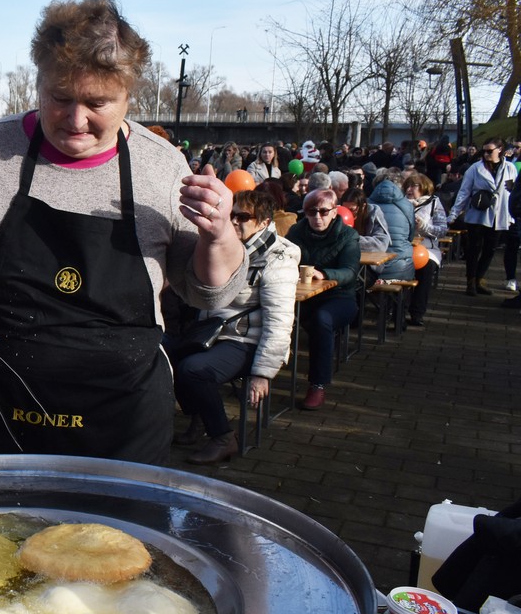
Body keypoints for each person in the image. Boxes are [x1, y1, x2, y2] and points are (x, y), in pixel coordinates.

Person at [0, 0, 246, 463]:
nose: (75, 120)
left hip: (120, 426)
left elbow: (209, 295)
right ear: (38, 84)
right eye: (59, 99)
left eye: (97, 103)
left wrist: (219, 236)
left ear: (127, 96)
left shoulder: (161, 167)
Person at [172, 190, 300, 465]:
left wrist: (263, 372)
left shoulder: (278, 257)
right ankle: (199, 419)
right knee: (166, 355)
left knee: (193, 370)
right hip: (213, 332)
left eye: (243, 217)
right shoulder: (225, 245)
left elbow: (280, 320)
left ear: (264, 222)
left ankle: (223, 437)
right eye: (231, 215)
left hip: (246, 341)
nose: (233, 222)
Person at [286, 189, 360, 411]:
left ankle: (317, 385)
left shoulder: (348, 236)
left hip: (340, 297)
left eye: (323, 211)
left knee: (321, 319)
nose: (317, 217)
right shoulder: (295, 233)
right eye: (311, 212)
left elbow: (350, 272)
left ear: (334, 212)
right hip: (304, 297)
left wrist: (326, 274)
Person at [448, 137, 517, 296]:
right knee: (474, 248)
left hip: (499, 214)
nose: (486, 154)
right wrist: (454, 212)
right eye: (484, 151)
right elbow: (464, 192)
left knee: (490, 249)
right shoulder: (475, 168)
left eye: (489, 151)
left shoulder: (510, 168)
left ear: (500, 150)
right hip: (478, 214)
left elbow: (512, 193)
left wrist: (512, 214)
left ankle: (480, 278)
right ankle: (470, 281)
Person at [404, 173, 448, 326]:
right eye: (407, 186)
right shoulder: (401, 203)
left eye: (413, 186)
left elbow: (442, 230)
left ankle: (417, 313)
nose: (409, 189)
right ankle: (397, 310)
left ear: (424, 188)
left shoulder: (434, 203)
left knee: (425, 269)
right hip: (405, 247)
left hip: (427, 248)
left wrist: (423, 226)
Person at [366, 170, 416, 282]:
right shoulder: (407, 205)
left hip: (370, 268)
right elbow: (410, 237)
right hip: (400, 267)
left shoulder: (366, 203)